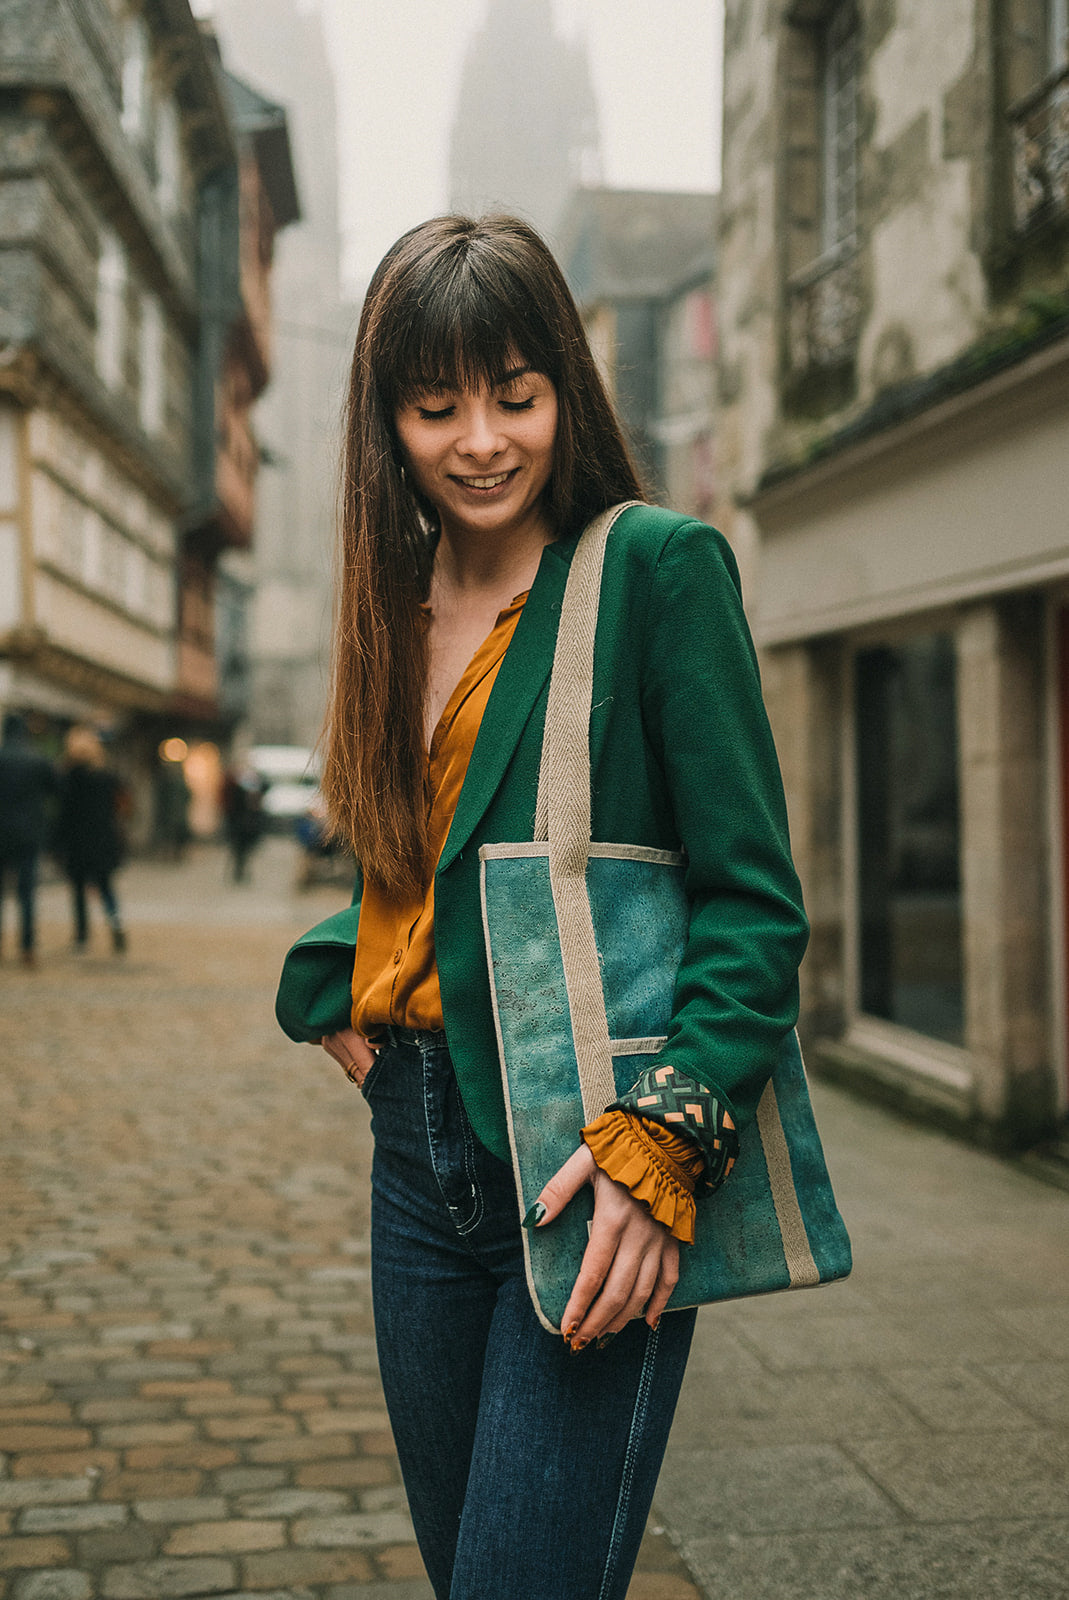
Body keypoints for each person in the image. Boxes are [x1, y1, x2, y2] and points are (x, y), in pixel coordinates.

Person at [275, 215, 808, 1600]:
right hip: (415, 1157)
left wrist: (669, 1147)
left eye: (514, 394)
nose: (480, 441)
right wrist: (336, 981)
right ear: (384, 419)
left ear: (565, 387)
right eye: (434, 403)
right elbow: (408, 863)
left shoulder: (652, 572)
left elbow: (753, 902)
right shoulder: (386, 602)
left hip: (594, 1147)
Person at [54, 725, 128, 954]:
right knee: (106, 887)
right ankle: (116, 923)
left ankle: (82, 937)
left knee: (78, 890)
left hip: (78, 842)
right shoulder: (106, 777)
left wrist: (56, 842)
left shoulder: (69, 778)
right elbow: (121, 806)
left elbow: (64, 814)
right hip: (103, 839)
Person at [0, 711, 57, 967]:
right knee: (26, 893)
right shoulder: (38, 760)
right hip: (29, 833)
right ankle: (27, 947)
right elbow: (56, 791)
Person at [220, 758, 266, 883]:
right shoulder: (235, 787)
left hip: (245, 825)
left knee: (242, 851)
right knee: (238, 850)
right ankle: (238, 873)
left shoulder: (246, 788)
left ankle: (240, 873)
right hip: (239, 824)